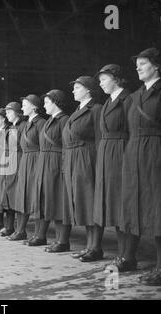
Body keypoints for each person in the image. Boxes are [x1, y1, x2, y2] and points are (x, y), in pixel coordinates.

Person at [120, 48, 161, 285]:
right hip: (133, 153)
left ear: (156, 66)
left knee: (158, 208)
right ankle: (128, 257)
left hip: (155, 152)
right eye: (137, 64)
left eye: (143, 63)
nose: (138, 67)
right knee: (132, 204)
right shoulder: (134, 97)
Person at [92, 64, 132, 263]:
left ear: (116, 78)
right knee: (115, 205)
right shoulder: (109, 102)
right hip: (108, 154)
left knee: (124, 205)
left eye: (104, 79)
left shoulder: (128, 99)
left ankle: (127, 255)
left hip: (123, 153)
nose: (100, 84)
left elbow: (133, 130)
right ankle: (122, 253)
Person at [63, 76, 102, 260]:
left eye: (77, 87)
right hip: (74, 159)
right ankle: (89, 245)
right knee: (83, 203)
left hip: (88, 158)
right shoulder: (76, 111)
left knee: (91, 201)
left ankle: (96, 247)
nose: (73, 91)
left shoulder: (95, 110)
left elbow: (100, 138)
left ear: (88, 90)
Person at [31, 90, 71, 252]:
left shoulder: (64, 120)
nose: (44, 105)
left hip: (56, 163)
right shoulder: (49, 121)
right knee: (47, 200)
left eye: (47, 102)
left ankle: (63, 241)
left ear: (56, 103)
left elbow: (66, 145)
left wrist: (62, 166)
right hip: (45, 163)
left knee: (59, 201)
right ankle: (46, 237)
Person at [11, 95, 47, 241]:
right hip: (25, 161)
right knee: (22, 197)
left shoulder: (41, 123)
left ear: (34, 106)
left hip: (36, 160)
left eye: (25, 104)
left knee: (38, 197)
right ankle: (20, 231)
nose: (22, 107)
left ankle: (40, 234)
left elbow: (43, 145)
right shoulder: (25, 124)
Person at [3, 102, 26, 238]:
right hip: (10, 162)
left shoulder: (23, 126)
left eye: (9, 112)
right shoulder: (10, 128)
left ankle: (20, 230)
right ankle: (10, 227)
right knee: (9, 195)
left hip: (19, 161)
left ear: (17, 112)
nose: (7, 115)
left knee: (19, 197)